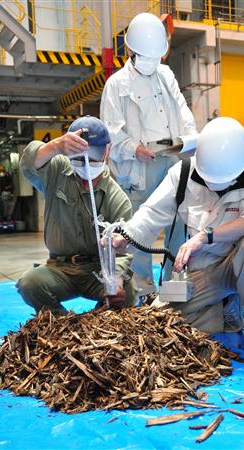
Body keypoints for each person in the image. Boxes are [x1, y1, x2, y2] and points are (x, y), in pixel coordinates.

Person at [112, 117, 244, 357]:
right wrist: (126, 235)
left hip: (240, 263)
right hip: (202, 270)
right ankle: (224, 310)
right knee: (164, 323)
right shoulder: (182, 173)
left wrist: (205, 236)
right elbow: (152, 213)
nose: (215, 187)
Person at [100, 12, 199, 304]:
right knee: (138, 233)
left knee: (179, 225)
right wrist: (134, 148)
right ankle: (142, 293)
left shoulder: (166, 75)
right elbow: (110, 133)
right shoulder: (116, 85)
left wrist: (190, 139)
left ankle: (171, 290)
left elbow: (182, 112)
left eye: (156, 56)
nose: (151, 61)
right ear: (130, 50)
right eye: (146, 56)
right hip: (139, 168)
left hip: (172, 160)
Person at [17, 116, 137, 314]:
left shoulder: (117, 198)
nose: (87, 164)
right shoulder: (57, 170)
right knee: (30, 284)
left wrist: (114, 279)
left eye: (94, 157)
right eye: (79, 158)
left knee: (128, 291)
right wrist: (56, 146)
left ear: (107, 150)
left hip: (98, 271)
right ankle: (61, 324)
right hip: (60, 269)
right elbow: (28, 164)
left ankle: (101, 321)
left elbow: (122, 251)